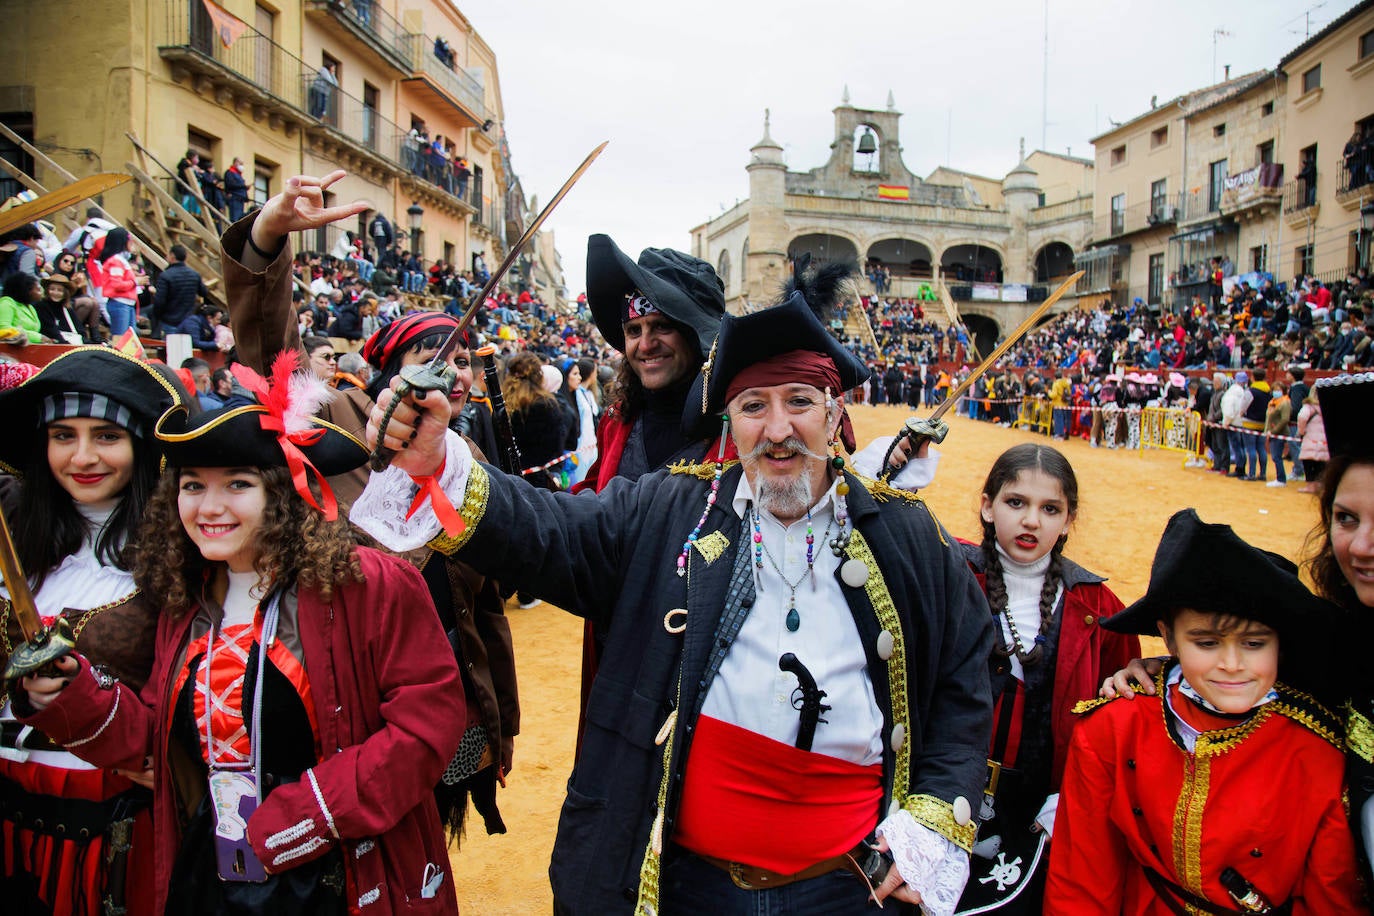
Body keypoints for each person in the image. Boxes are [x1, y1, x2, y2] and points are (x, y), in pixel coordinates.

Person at [354, 279, 994, 914]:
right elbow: (551, 532)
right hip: (688, 886)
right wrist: (437, 462)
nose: (778, 429)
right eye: (752, 407)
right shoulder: (671, 508)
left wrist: (934, 819)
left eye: (798, 401)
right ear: (730, 423)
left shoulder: (906, 534)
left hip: (845, 887)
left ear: (833, 413)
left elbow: (964, 675)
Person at [16, 355, 465, 915]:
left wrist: (307, 814)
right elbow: (160, 741)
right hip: (216, 875)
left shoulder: (371, 584)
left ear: (282, 493)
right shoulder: (189, 599)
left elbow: (429, 725)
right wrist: (73, 696)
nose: (209, 507)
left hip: (342, 873)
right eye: (192, 486)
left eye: (237, 484)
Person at [221, 172, 521, 842]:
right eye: (433, 354)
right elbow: (272, 362)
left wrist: (497, 718)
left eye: (464, 357)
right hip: (349, 703)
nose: (456, 371)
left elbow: (484, 607)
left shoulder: (464, 456)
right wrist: (267, 241)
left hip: (448, 701)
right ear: (389, 369)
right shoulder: (331, 423)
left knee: (426, 850)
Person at [1047, 509, 1362, 913]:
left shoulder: (1318, 751)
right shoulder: (1113, 726)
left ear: (1280, 643)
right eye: (1207, 643)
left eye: (1254, 644)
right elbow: (1082, 881)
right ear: (1168, 638)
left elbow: (1329, 897)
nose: (1231, 664)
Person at [0, 348, 192, 916]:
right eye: (64, 435)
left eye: (106, 436)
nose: (82, 457)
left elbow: (183, 717)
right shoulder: (16, 537)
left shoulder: (185, 554)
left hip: (111, 832)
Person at [955, 443, 1138, 912]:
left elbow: (1121, 720)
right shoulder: (948, 573)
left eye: (1050, 508)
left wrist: (1076, 801)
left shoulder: (1100, 609)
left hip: (1041, 814)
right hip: (946, 790)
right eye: (1016, 502)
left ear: (1068, 519)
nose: (1031, 521)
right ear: (987, 505)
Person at [94, 228, 143, 338]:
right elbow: (117, 284)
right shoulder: (116, 261)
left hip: (127, 304)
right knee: (120, 339)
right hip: (120, 304)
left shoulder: (121, 260)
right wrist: (136, 281)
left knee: (130, 340)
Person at [152, 244, 209, 336]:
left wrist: (157, 316)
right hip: (188, 318)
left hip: (169, 319)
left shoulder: (165, 276)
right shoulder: (194, 275)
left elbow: (159, 301)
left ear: (172, 256)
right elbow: (204, 292)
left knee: (171, 347)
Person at [35, 274, 87, 344]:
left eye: (60, 290)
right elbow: (51, 331)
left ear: (65, 293)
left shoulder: (67, 309)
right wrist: (67, 344)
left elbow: (80, 331)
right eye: (52, 289)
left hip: (70, 344)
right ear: (47, 290)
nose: (55, 293)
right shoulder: (41, 306)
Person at [0, 271, 46, 343]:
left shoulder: (30, 307)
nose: (42, 293)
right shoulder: (6, 303)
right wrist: (37, 337)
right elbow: (3, 328)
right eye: (38, 290)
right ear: (27, 290)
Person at [1296, 386, 1327, 494]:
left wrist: (1301, 431)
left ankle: (1310, 486)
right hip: (1324, 440)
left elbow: (1302, 417)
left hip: (1310, 438)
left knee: (1309, 464)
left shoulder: (1309, 407)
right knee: (1321, 465)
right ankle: (1319, 486)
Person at [223, 158, 249, 223]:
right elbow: (230, 184)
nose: (242, 166)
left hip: (241, 199)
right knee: (234, 218)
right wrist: (243, 186)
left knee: (240, 218)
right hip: (234, 197)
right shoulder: (229, 172)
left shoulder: (239, 175)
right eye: (241, 164)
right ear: (235, 163)